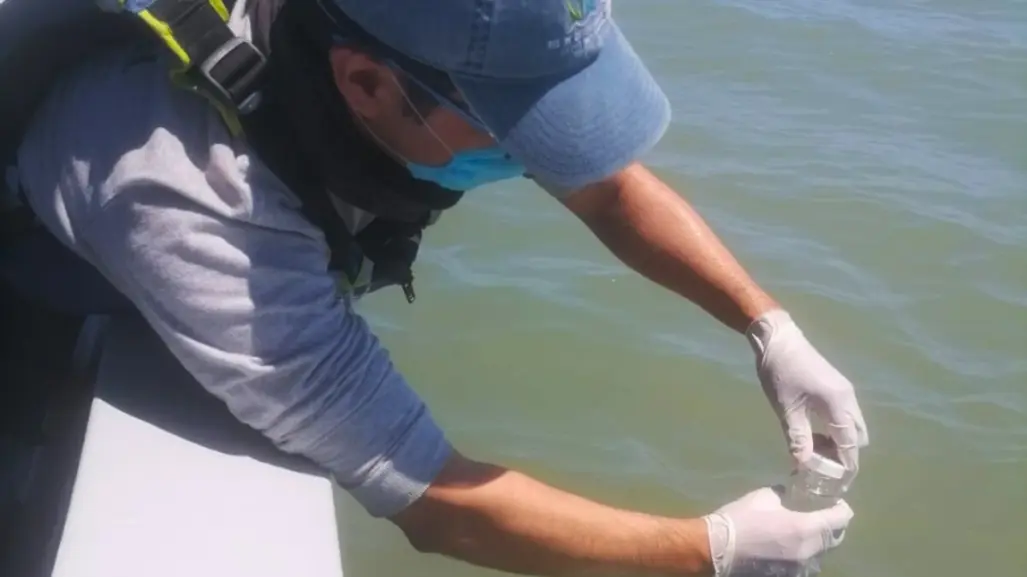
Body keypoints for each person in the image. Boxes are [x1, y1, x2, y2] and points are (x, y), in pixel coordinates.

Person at [0, 0, 869, 575]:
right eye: (514, 119)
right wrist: (710, 550)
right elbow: (428, 495)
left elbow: (603, 182)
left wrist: (769, 328)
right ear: (366, 82)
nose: (539, 151)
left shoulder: (392, 43)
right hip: (48, 279)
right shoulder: (199, 204)